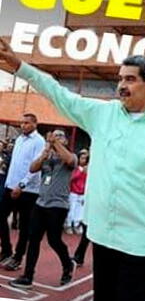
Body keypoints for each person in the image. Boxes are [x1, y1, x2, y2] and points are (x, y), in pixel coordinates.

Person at [0, 41, 145, 301]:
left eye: (130, 79)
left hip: (140, 244)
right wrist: (20, 67)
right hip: (102, 236)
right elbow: (59, 94)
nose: (121, 86)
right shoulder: (102, 114)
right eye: (120, 79)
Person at [9, 130, 76, 289]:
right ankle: (27, 276)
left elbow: (69, 161)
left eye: (60, 136)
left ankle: (67, 264)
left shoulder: (70, 157)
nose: (55, 139)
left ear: (65, 141)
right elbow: (32, 168)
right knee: (33, 240)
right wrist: (45, 152)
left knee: (54, 240)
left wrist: (55, 143)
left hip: (58, 206)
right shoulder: (47, 158)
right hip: (40, 203)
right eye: (54, 136)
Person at [0, 113, 45, 271]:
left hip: (28, 190)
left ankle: (17, 258)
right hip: (10, 185)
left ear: (35, 124)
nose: (23, 125)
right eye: (22, 122)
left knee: (24, 226)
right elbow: (15, 164)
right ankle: (6, 250)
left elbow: (36, 167)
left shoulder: (39, 141)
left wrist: (22, 185)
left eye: (27, 123)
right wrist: (9, 183)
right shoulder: (19, 139)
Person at [65, 150, 89, 234]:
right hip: (74, 192)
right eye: (82, 158)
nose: (84, 160)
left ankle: (76, 225)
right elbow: (72, 178)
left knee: (80, 210)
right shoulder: (76, 168)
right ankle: (68, 225)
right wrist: (81, 172)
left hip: (82, 193)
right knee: (72, 209)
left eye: (85, 158)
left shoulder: (87, 169)